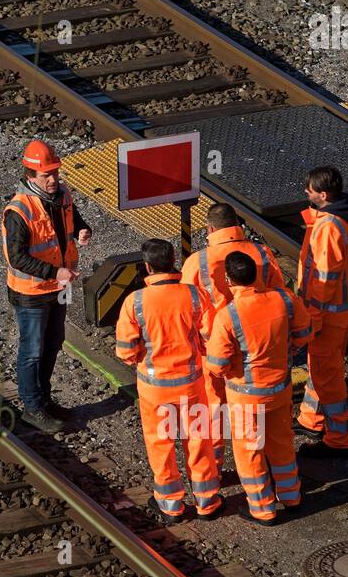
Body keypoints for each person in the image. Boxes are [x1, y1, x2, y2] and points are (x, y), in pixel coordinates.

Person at [115, 239, 221, 524]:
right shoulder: (195, 295)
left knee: (160, 444)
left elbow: (125, 351)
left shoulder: (134, 301)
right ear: (173, 260)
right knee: (198, 440)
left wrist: (140, 356)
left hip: (155, 389)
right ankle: (208, 501)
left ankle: (171, 505)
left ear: (147, 266)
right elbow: (211, 337)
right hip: (191, 384)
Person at [205, 252, 311, 524]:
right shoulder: (284, 298)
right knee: (282, 443)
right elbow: (304, 332)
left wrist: (232, 373)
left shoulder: (228, 316)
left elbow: (216, 365)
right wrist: (288, 353)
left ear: (229, 280)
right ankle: (291, 496)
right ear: (256, 274)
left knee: (250, 451)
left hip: (246, 398)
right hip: (280, 389)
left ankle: (263, 508)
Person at [180, 202, 287, 468]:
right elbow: (279, 295)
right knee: (259, 410)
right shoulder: (260, 253)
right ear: (237, 225)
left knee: (213, 405)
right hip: (257, 346)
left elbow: (187, 305)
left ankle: (215, 461)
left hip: (213, 348)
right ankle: (265, 460)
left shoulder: (197, 261)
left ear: (211, 228)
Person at [1, 140, 92, 433]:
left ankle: (44, 400)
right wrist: (55, 271)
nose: (53, 180)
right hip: (31, 293)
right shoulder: (18, 211)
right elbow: (16, 259)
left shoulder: (62, 194)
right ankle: (32, 407)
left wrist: (81, 228)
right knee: (32, 351)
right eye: (46, 175)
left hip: (57, 285)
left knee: (53, 344)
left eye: (55, 173)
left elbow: (72, 217)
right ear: (31, 176)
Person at [294, 166, 348, 458]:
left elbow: (324, 278)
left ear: (323, 194)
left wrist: (313, 319)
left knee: (328, 376)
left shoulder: (329, 228)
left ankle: (337, 439)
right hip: (338, 311)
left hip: (325, 314)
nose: (305, 192)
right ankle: (311, 420)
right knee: (322, 369)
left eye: (309, 190)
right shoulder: (345, 218)